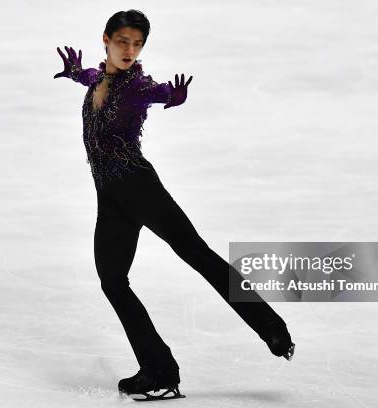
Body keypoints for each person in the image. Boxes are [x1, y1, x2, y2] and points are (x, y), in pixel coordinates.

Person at [54, 9, 295, 401]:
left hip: (141, 190)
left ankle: (271, 327)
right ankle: (158, 369)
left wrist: (173, 95)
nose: (130, 50)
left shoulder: (138, 87)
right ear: (106, 40)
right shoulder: (97, 78)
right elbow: (93, 78)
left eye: (137, 43)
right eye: (122, 41)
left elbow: (159, 91)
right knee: (113, 281)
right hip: (110, 200)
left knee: (196, 254)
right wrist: (76, 71)